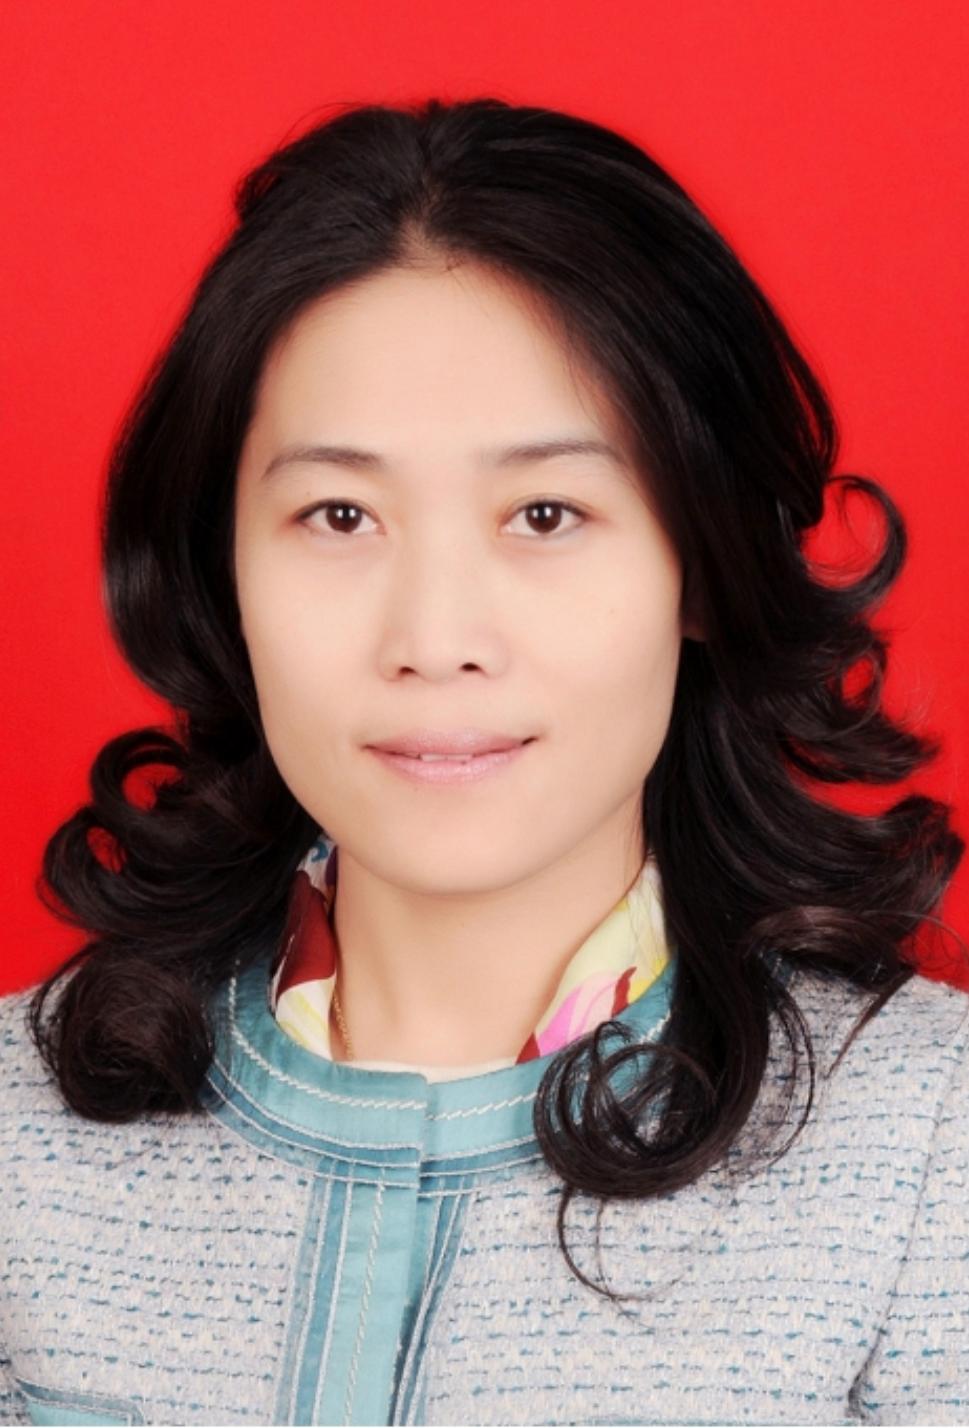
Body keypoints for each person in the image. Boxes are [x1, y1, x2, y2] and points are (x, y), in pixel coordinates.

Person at [1, 95, 966, 1428]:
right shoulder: (19, 1144)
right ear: (224, 572)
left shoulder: (930, 1150)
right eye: (339, 514)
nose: (434, 640)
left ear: (701, 564)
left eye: (546, 513)